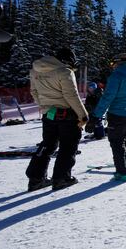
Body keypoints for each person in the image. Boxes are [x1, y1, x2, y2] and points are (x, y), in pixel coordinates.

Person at [26, 48, 88, 191]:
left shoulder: (35, 70)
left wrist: (45, 107)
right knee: (68, 146)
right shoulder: (64, 71)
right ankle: (61, 179)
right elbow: (71, 95)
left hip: (49, 114)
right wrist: (83, 115)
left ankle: (36, 179)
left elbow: (34, 92)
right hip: (67, 115)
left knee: (47, 145)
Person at [88, 53, 126, 181]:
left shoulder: (116, 75)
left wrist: (96, 115)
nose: (112, 66)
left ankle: (123, 173)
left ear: (117, 63)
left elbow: (108, 96)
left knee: (117, 143)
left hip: (118, 114)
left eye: (112, 64)